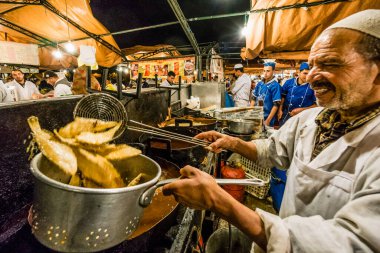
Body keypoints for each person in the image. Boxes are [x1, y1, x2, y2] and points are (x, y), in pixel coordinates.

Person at [162, 9, 380, 252]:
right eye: (313, 65)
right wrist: (232, 142)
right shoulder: (310, 119)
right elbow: (273, 150)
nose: (312, 78)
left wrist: (218, 201)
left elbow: (353, 243)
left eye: (330, 64)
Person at [278, 62, 317, 126]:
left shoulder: (313, 86)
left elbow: (317, 105)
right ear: (299, 72)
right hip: (286, 115)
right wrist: (280, 110)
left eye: (309, 74)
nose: (307, 76)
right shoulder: (289, 82)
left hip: (304, 118)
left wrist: (301, 110)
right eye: (305, 73)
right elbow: (283, 97)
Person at [252, 62, 281, 126]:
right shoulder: (260, 84)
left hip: (267, 117)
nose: (265, 73)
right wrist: (250, 112)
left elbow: (276, 105)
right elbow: (254, 98)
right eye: (264, 71)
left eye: (268, 71)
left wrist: (268, 120)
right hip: (256, 115)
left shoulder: (276, 86)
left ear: (273, 71)